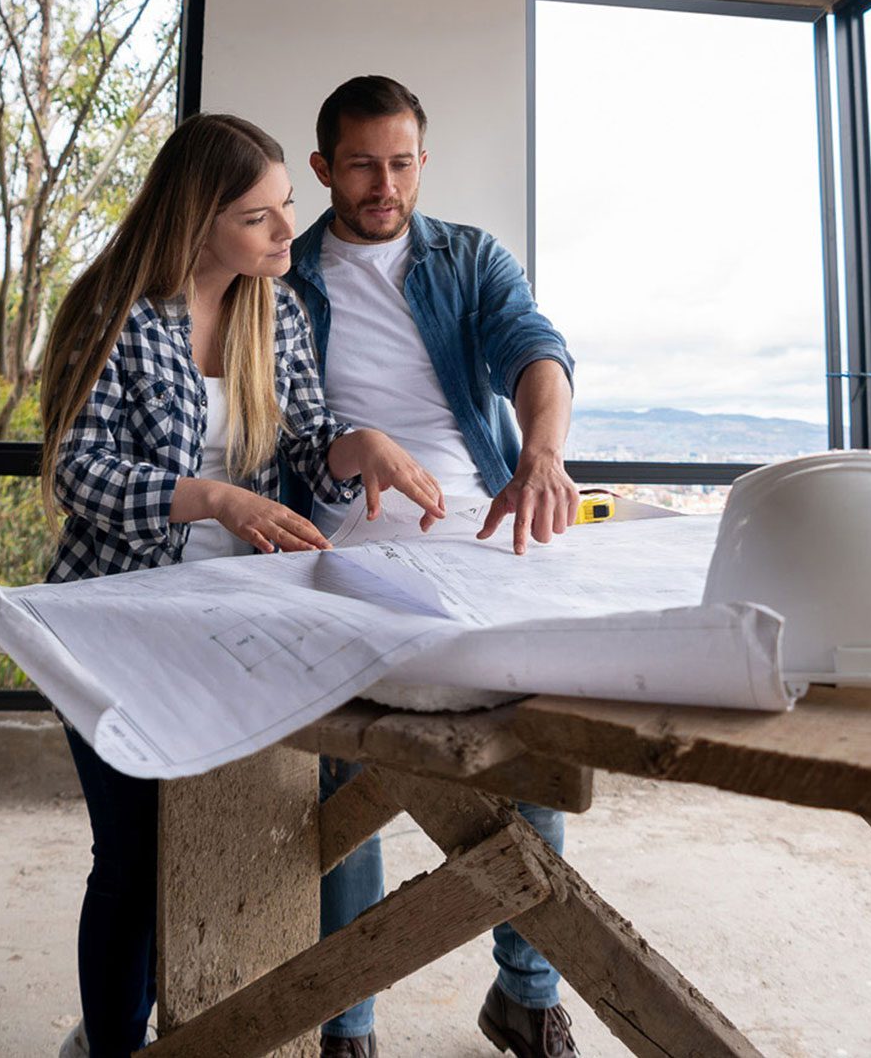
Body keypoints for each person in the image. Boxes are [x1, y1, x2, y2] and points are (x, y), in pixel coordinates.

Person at [39, 112, 444, 1058]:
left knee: (243, 850)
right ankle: (111, 1046)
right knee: (134, 857)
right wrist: (211, 498)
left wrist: (363, 444)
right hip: (113, 620)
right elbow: (76, 472)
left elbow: (309, 444)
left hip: (237, 626)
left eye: (286, 209)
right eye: (260, 218)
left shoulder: (280, 311)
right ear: (197, 220)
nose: (285, 233)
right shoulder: (111, 311)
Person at [284, 76, 581, 1058]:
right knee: (347, 745)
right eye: (362, 164)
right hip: (345, 526)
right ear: (324, 167)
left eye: (402, 162)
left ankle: (527, 993)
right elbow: (271, 433)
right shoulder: (282, 278)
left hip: (481, 513)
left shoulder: (469, 256)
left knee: (537, 710)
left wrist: (541, 448)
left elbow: (532, 349)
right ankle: (348, 1020)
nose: (384, 184)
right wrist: (350, 446)